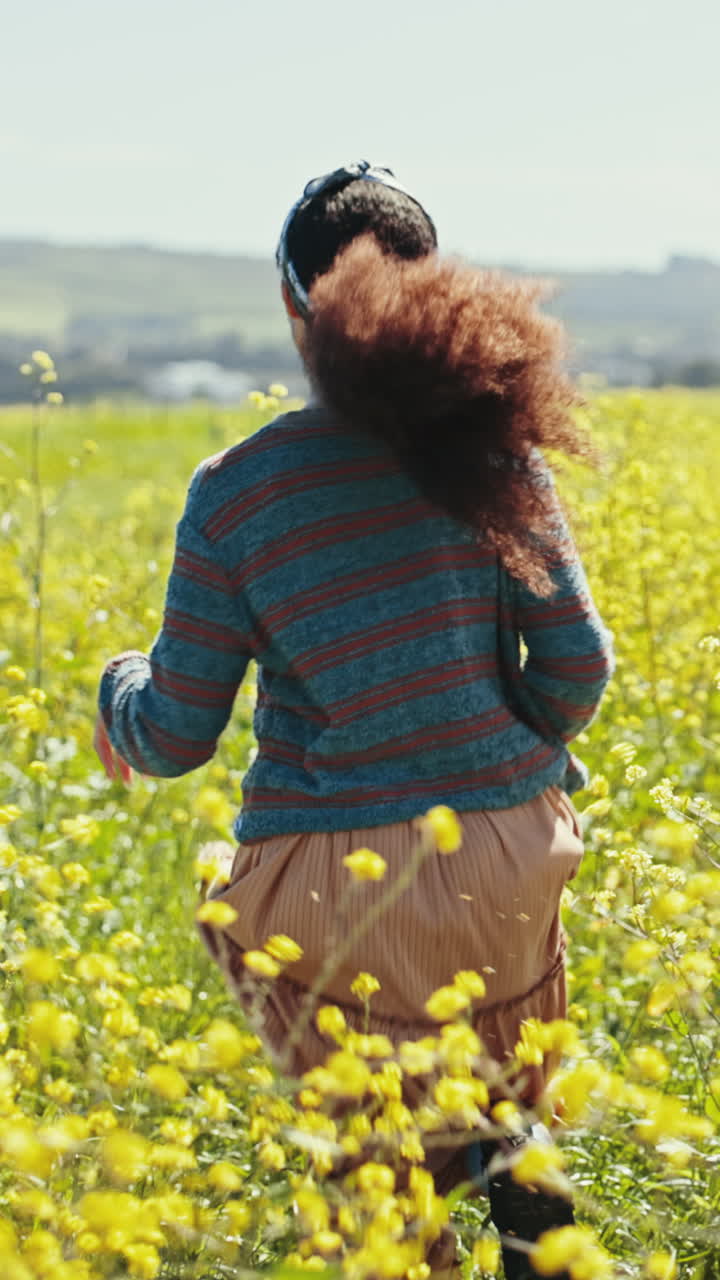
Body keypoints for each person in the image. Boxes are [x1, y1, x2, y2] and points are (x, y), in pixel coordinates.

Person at [95, 161, 614, 1279]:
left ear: (295, 309)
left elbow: (176, 732)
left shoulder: (238, 490)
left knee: (376, 1164)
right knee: (482, 1099)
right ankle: (541, 1229)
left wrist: (115, 692)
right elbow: (578, 661)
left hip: (336, 886)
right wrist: (502, 754)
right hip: (505, 854)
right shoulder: (494, 445)